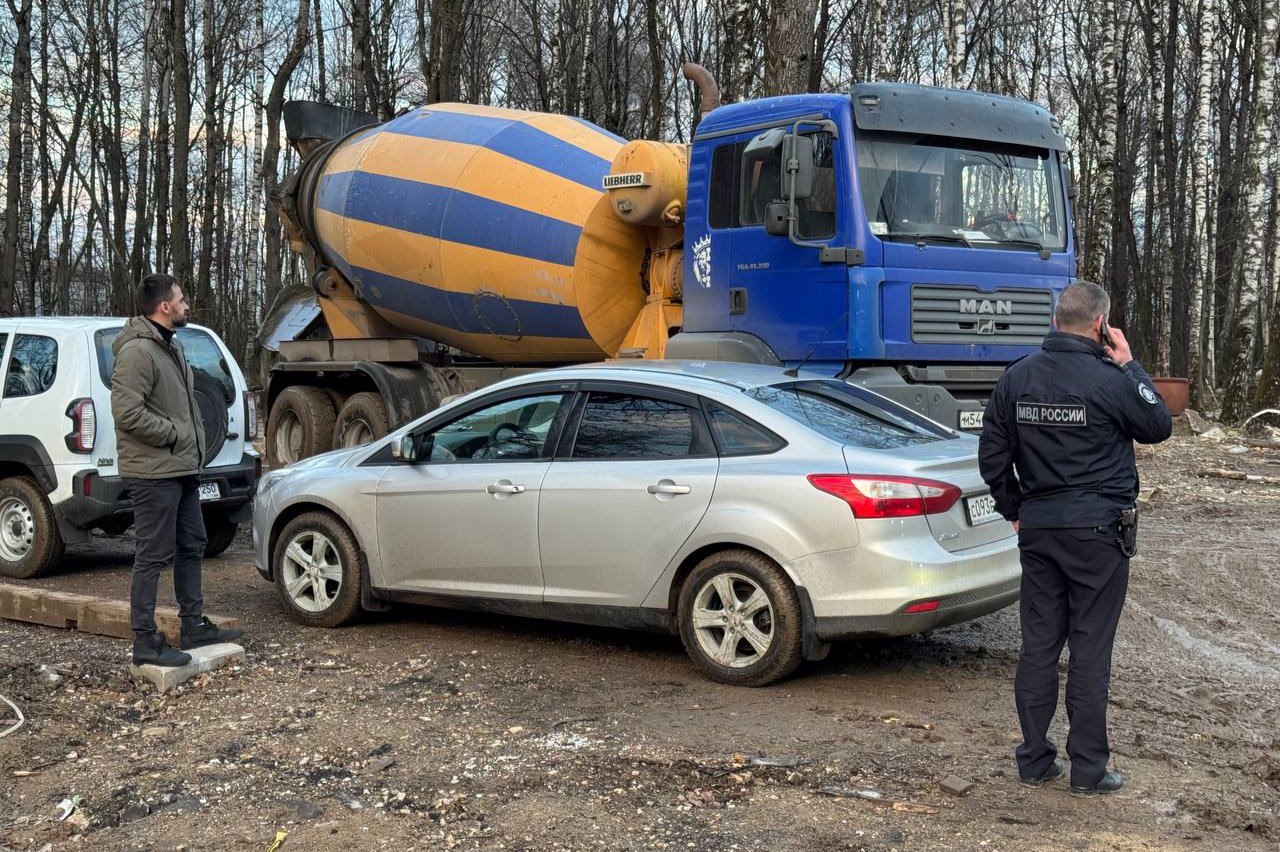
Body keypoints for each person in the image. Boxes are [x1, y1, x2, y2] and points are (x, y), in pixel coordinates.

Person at [978, 280, 1172, 796]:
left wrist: (1015, 509)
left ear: (1054, 321)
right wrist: (1130, 365)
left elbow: (991, 457)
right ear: (1100, 326)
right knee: (1090, 649)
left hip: (1039, 529)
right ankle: (1088, 769)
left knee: (1038, 645)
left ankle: (1035, 760)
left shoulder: (1015, 379)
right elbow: (1158, 423)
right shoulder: (1111, 379)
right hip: (1098, 534)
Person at [112, 273, 244, 666]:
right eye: (182, 299)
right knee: (153, 554)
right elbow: (127, 412)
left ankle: (193, 625)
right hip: (153, 471)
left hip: (181, 467)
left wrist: (192, 442)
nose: (187, 305)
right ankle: (145, 641)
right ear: (164, 306)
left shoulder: (171, 347)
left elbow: (182, 405)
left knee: (192, 544)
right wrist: (172, 434)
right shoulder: (138, 352)